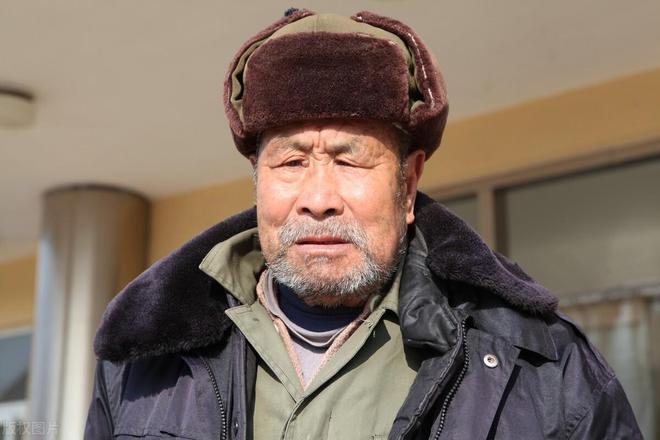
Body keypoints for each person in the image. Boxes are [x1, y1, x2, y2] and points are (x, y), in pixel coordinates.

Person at [84, 9, 641, 440]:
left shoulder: (544, 369)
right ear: (257, 182)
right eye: (290, 162)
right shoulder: (143, 361)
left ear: (407, 184)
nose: (318, 199)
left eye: (349, 161)